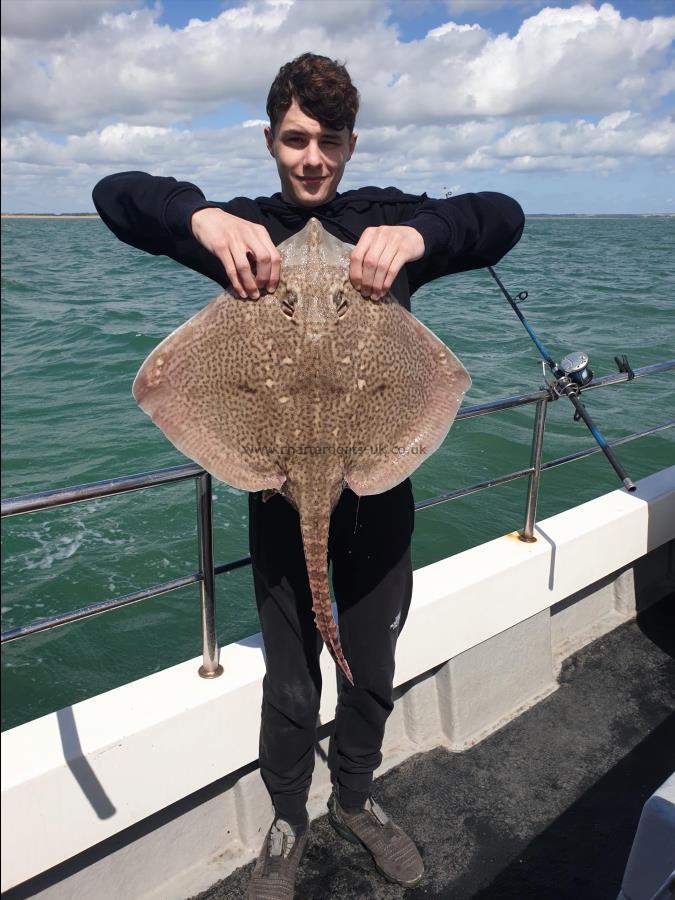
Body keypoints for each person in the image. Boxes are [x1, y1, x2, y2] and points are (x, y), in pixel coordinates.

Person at [93, 52, 524, 900]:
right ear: (270, 140)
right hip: (274, 485)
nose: (312, 158)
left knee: (369, 662)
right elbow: (115, 196)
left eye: (328, 141)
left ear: (351, 144)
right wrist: (204, 220)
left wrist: (422, 237)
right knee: (291, 678)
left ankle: (356, 800)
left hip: (376, 485)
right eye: (295, 140)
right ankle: (287, 817)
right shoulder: (244, 230)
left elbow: (502, 216)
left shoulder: (388, 222)